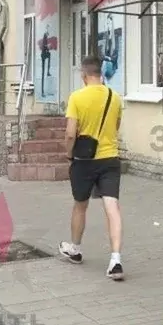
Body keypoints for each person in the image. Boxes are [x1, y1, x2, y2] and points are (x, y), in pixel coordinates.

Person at [59, 55, 125, 280]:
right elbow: (116, 127)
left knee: (80, 205)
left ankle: (75, 249)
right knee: (112, 207)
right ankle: (115, 259)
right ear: (101, 74)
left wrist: (69, 154)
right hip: (110, 158)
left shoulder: (77, 97)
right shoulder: (114, 97)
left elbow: (70, 133)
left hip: (83, 161)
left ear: (84, 75)